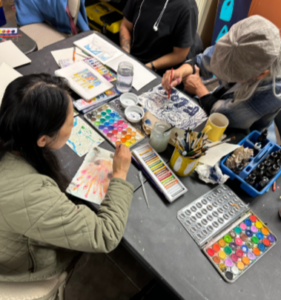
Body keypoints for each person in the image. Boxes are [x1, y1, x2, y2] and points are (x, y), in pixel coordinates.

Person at [0, 74, 133, 282]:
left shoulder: (10, 134)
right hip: (22, 268)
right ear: (42, 139)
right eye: (71, 122)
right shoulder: (31, 195)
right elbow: (106, 235)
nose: (74, 126)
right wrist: (120, 175)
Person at [162, 15, 281, 132]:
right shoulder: (241, 42)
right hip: (218, 100)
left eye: (232, 75)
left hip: (239, 129)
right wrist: (180, 71)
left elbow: (227, 117)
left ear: (260, 74)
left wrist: (199, 89)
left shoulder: (272, 92)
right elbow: (203, 60)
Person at [120, 0, 201, 74]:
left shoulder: (187, 7)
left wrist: (147, 67)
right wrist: (126, 54)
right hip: (133, 60)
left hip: (160, 71)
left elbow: (179, 55)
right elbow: (126, 26)